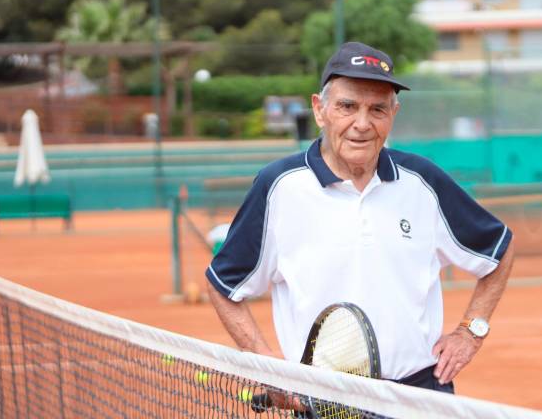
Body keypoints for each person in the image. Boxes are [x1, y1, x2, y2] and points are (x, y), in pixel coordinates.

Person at [205, 41, 515, 393]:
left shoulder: (423, 182)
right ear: (320, 110)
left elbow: (499, 251)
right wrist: (268, 367)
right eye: (347, 106)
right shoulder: (278, 186)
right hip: (325, 401)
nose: (362, 124)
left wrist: (470, 331)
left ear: (394, 114)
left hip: (421, 396)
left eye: (378, 109)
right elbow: (224, 284)